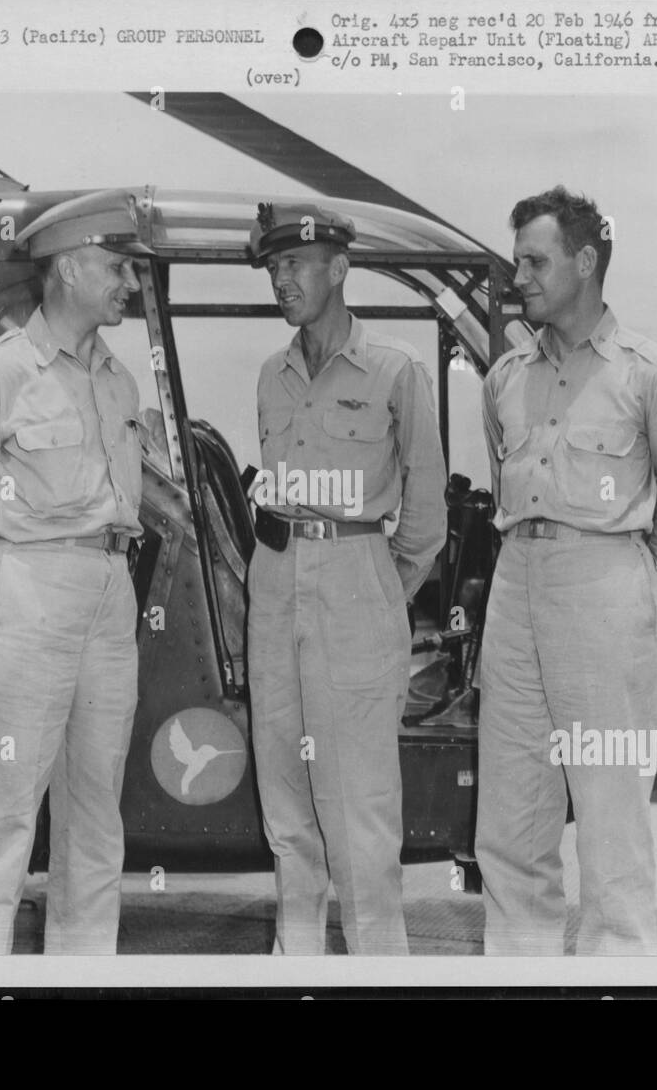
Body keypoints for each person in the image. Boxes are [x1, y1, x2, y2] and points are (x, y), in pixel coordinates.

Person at [0, 189, 154, 954]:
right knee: (3, 826)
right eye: (116, 268)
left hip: (110, 603)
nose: (129, 284)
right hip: (26, 601)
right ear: (70, 268)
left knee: (95, 827)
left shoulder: (119, 380)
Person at [477, 185, 657, 955]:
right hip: (516, 592)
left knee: (610, 826)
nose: (521, 278)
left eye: (536, 261)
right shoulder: (506, 376)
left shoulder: (650, 374)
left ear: (585, 261)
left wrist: (651, 606)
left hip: (606, 594)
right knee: (511, 824)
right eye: (517, 262)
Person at [245, 201, 447, 955]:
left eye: (294, 265)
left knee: (359, 816)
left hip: (356, 579)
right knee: (287, 813)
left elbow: (425, 519)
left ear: (338, 267)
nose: (281, 281)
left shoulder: (395, 372)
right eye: (272, 268)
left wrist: (372, 587)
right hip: (275, 585)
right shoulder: (272, 375)